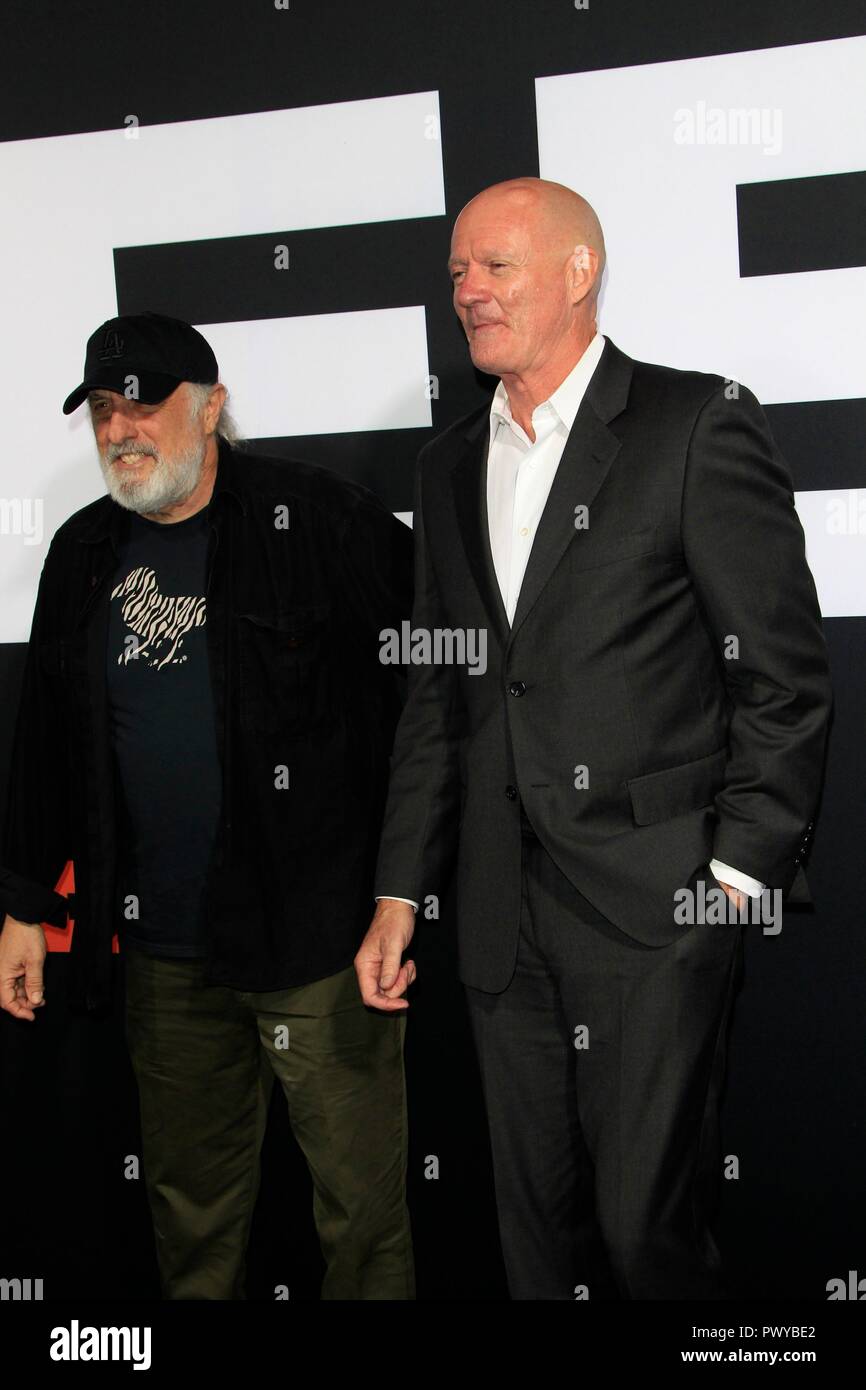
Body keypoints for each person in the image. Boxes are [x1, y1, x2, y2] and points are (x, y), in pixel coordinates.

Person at [356, 178, 832, 1300]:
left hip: (653, 911)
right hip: (490, 918)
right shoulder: (444, 466)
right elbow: (439, 695)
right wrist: (395, 891)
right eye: (456, 272)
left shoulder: (691, 424)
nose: (467, 290)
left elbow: (782, 675)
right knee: (532, 1245)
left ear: (579, 273)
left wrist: (729, 882)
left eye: (495, 266)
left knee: (641, 1241)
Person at [0, 311, 415, 1300]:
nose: (122, 429)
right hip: (162, 956)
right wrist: (23, 900)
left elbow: (432, 705)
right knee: (191, 1220)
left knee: (361, 1216)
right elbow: (48, 741)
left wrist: (402, 888)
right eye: (104, 409)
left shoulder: (319, 520)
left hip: (316, 943)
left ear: (212, 406)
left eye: (146, 403)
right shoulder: (83, 552)